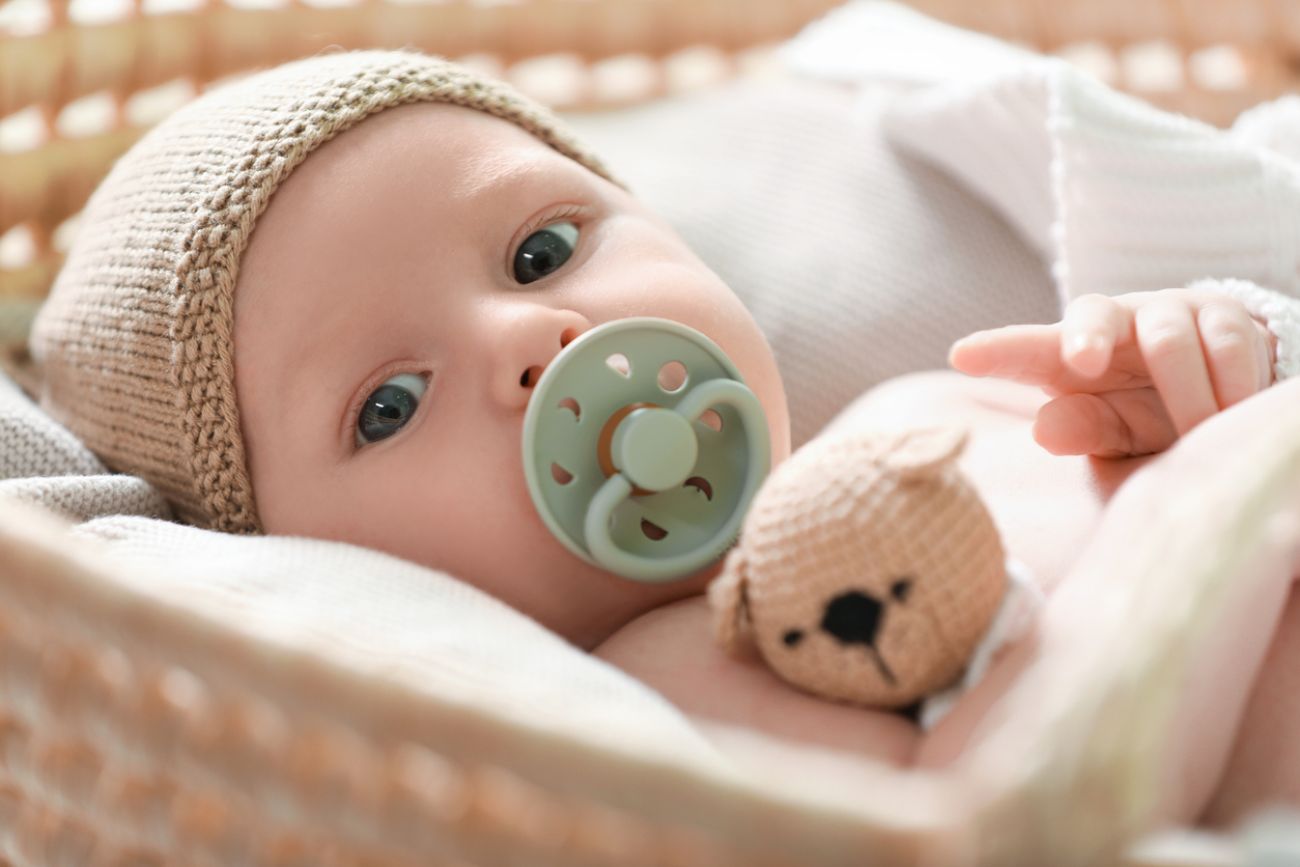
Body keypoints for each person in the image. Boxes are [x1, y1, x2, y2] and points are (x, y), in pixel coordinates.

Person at [27, 49, 1299, 829]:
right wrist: (1224, 485)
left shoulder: (920, 406)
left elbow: (1223, 395)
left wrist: (1215, 348)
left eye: (539, 251)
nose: (530, 344)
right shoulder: (681, 684)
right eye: (387, 406)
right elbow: (1017, 805)